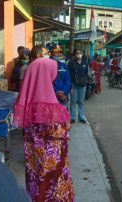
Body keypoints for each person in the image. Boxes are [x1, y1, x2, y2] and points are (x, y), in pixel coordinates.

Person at [13, 57, 75, 202]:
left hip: (34, 158)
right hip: (52, 165)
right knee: (50, 189)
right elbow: (60, 134)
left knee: (35, 183)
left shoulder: (26, 103)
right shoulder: (51, 107)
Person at [68, 49, 89, 124]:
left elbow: (86, 73)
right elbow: (69, 75)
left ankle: (81, 117)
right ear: (75, 55)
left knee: (81, 102)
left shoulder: (85, 63)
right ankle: (73, 117)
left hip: (82, 86)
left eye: (80, 53)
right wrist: (70, 87)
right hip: (74, 85)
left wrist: (85, 80)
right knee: (73, 101)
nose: (79, 54)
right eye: (77, 53)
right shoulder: (71, 63)